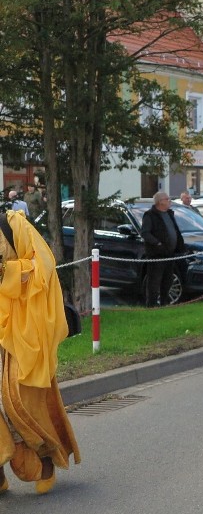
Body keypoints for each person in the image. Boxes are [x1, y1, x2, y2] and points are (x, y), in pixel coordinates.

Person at [0, 209, 81, 494]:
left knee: (19, 404)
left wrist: (6, 271)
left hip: (21, 332)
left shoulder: (12, 224)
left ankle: (45, 461)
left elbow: (41, 264)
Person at [140, 192, 185, 307]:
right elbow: (145, 233)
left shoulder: (169, 214)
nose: (170, 201)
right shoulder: (150, 215)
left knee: (168, 280)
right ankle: (152, 306)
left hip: (170, 253)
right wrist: (157, 243)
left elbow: (174, 231)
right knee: (154, 282)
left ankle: (165, 303)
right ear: (160, 201)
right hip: (156, 255)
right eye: (167, 199)